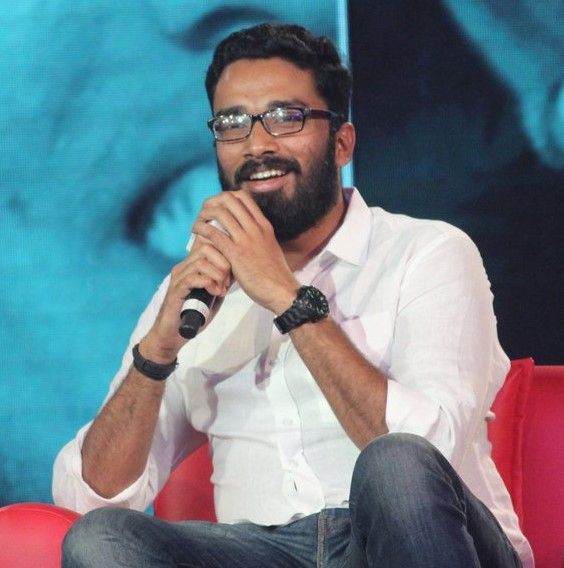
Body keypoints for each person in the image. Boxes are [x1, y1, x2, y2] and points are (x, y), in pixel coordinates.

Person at [54, 23, 533, 567]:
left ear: (342, 143)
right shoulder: (195, 288)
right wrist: (156, 353)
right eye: (233, 123)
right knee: (100, 539)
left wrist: (285, 294)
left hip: (413, 540)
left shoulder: (426, 253)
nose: (257, 144)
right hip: (264, 551)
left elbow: (430, 459)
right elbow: (87, 499)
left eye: (286, 117)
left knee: (395, 463)